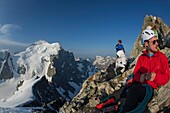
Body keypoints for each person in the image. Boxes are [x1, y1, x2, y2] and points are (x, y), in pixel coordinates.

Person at [122, 29, 169, 112]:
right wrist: (140, 77)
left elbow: (166, 77)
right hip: (140, 85)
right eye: (153, 42)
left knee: (133, 91)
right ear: (146, 44)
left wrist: (155, 77)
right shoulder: (141, 58)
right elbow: (136, 73)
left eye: (157, 41)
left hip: (151, 88)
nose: (157, 44)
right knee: (124, 91)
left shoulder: (162, 57)